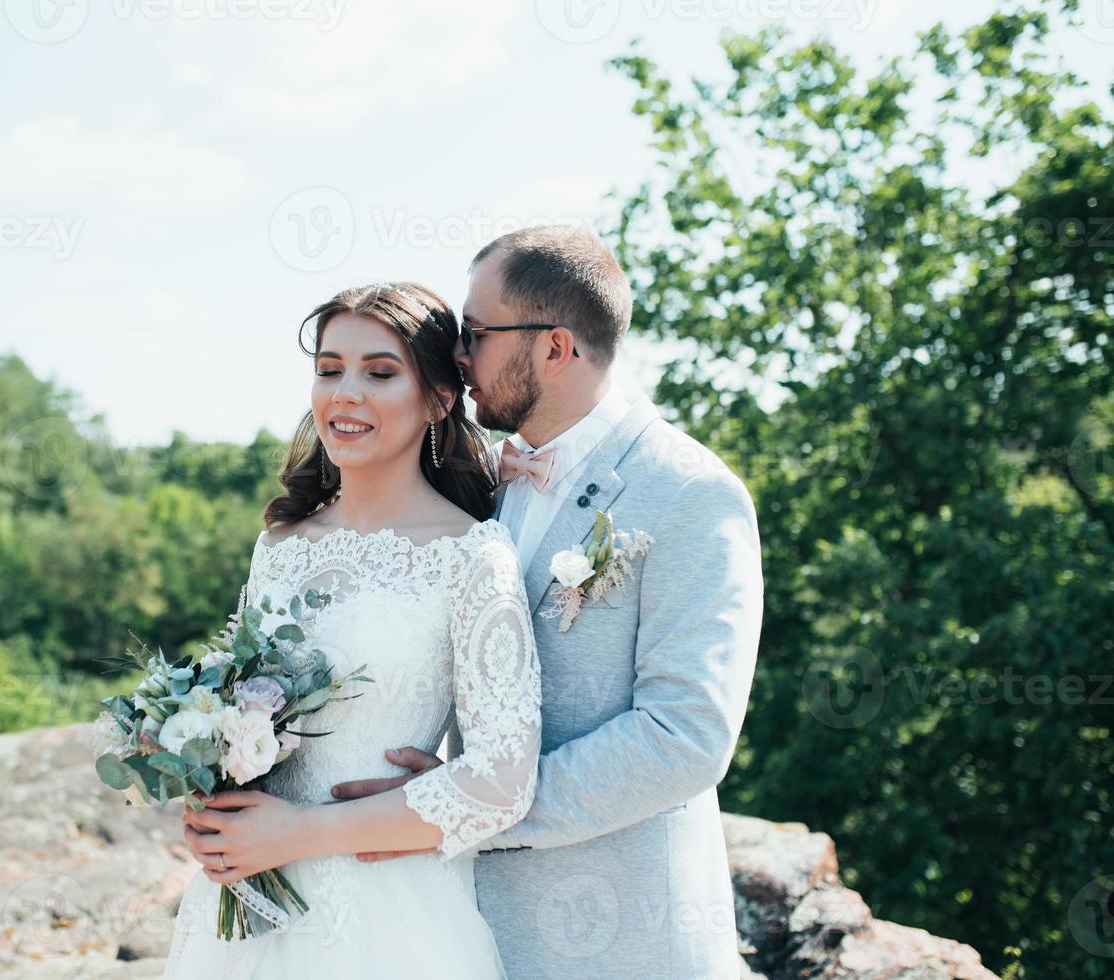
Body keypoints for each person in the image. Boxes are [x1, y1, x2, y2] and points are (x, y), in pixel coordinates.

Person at [330, 226, 764, 979]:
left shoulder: (690, 494)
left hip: (628, 945)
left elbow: (683, 737)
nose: (458, 356)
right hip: (471, 933)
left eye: (477, 333)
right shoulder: (479, 488)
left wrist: (457, 810)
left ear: (555, 348)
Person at [161, 281, 542, 979]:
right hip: (249, 912)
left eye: (380, 372)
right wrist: (212, 803)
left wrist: (302, 834)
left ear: (438, 398)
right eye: (330, 369)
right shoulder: (279, 545)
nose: (346, 393)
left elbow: (501, 783)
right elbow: (241, 708)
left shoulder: (472, 555)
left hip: (389, 915)